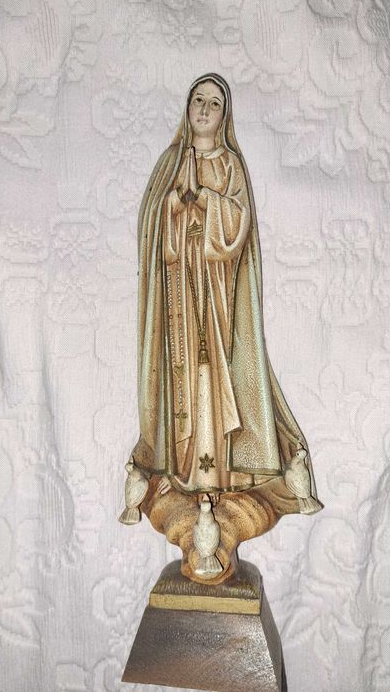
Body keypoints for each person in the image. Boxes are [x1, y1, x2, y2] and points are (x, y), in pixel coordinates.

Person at [129, 73, 320, 511]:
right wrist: (173, 204)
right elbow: (152, 224)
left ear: (224, 115)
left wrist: (205, 200)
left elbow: (239, 223)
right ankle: (181, 470)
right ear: (187, 106)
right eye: (198, 99)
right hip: (178, 291)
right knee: (182, 376)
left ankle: (221, 473)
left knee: (215, 370)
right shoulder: (170, 162)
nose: (204, 109)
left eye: (214, 103)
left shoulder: (231, 164)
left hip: (218, 292)